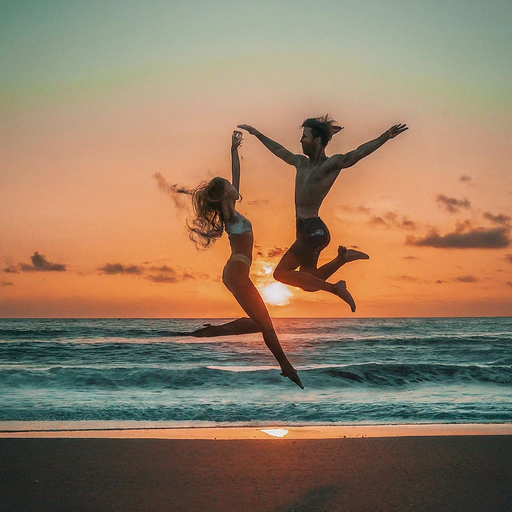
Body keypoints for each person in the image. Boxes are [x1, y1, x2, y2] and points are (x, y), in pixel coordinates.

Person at [238, 116, 408, 312]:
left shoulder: (331, 164)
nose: (301, 141)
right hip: (305, 230)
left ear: (317, 140)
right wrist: (257, 133)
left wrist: (385, 136)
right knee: (309, 281)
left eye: (305, 137)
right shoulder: (300, 162)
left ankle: (336, 289)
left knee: (280, 274)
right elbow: (279, 150)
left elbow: (358, 153)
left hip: (313, 231)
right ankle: (342, 259)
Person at [183, 131, 303, 389]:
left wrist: (233, 151)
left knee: (262, 323)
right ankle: (286, 367)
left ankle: (215, 331)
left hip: (237, 272)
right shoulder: (228, 213)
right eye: (229, 185)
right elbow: (231, 184)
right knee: (267, 326)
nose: (235, 186)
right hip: (236, 272)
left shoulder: (232, 208)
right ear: (225, 196)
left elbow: (237, 177)